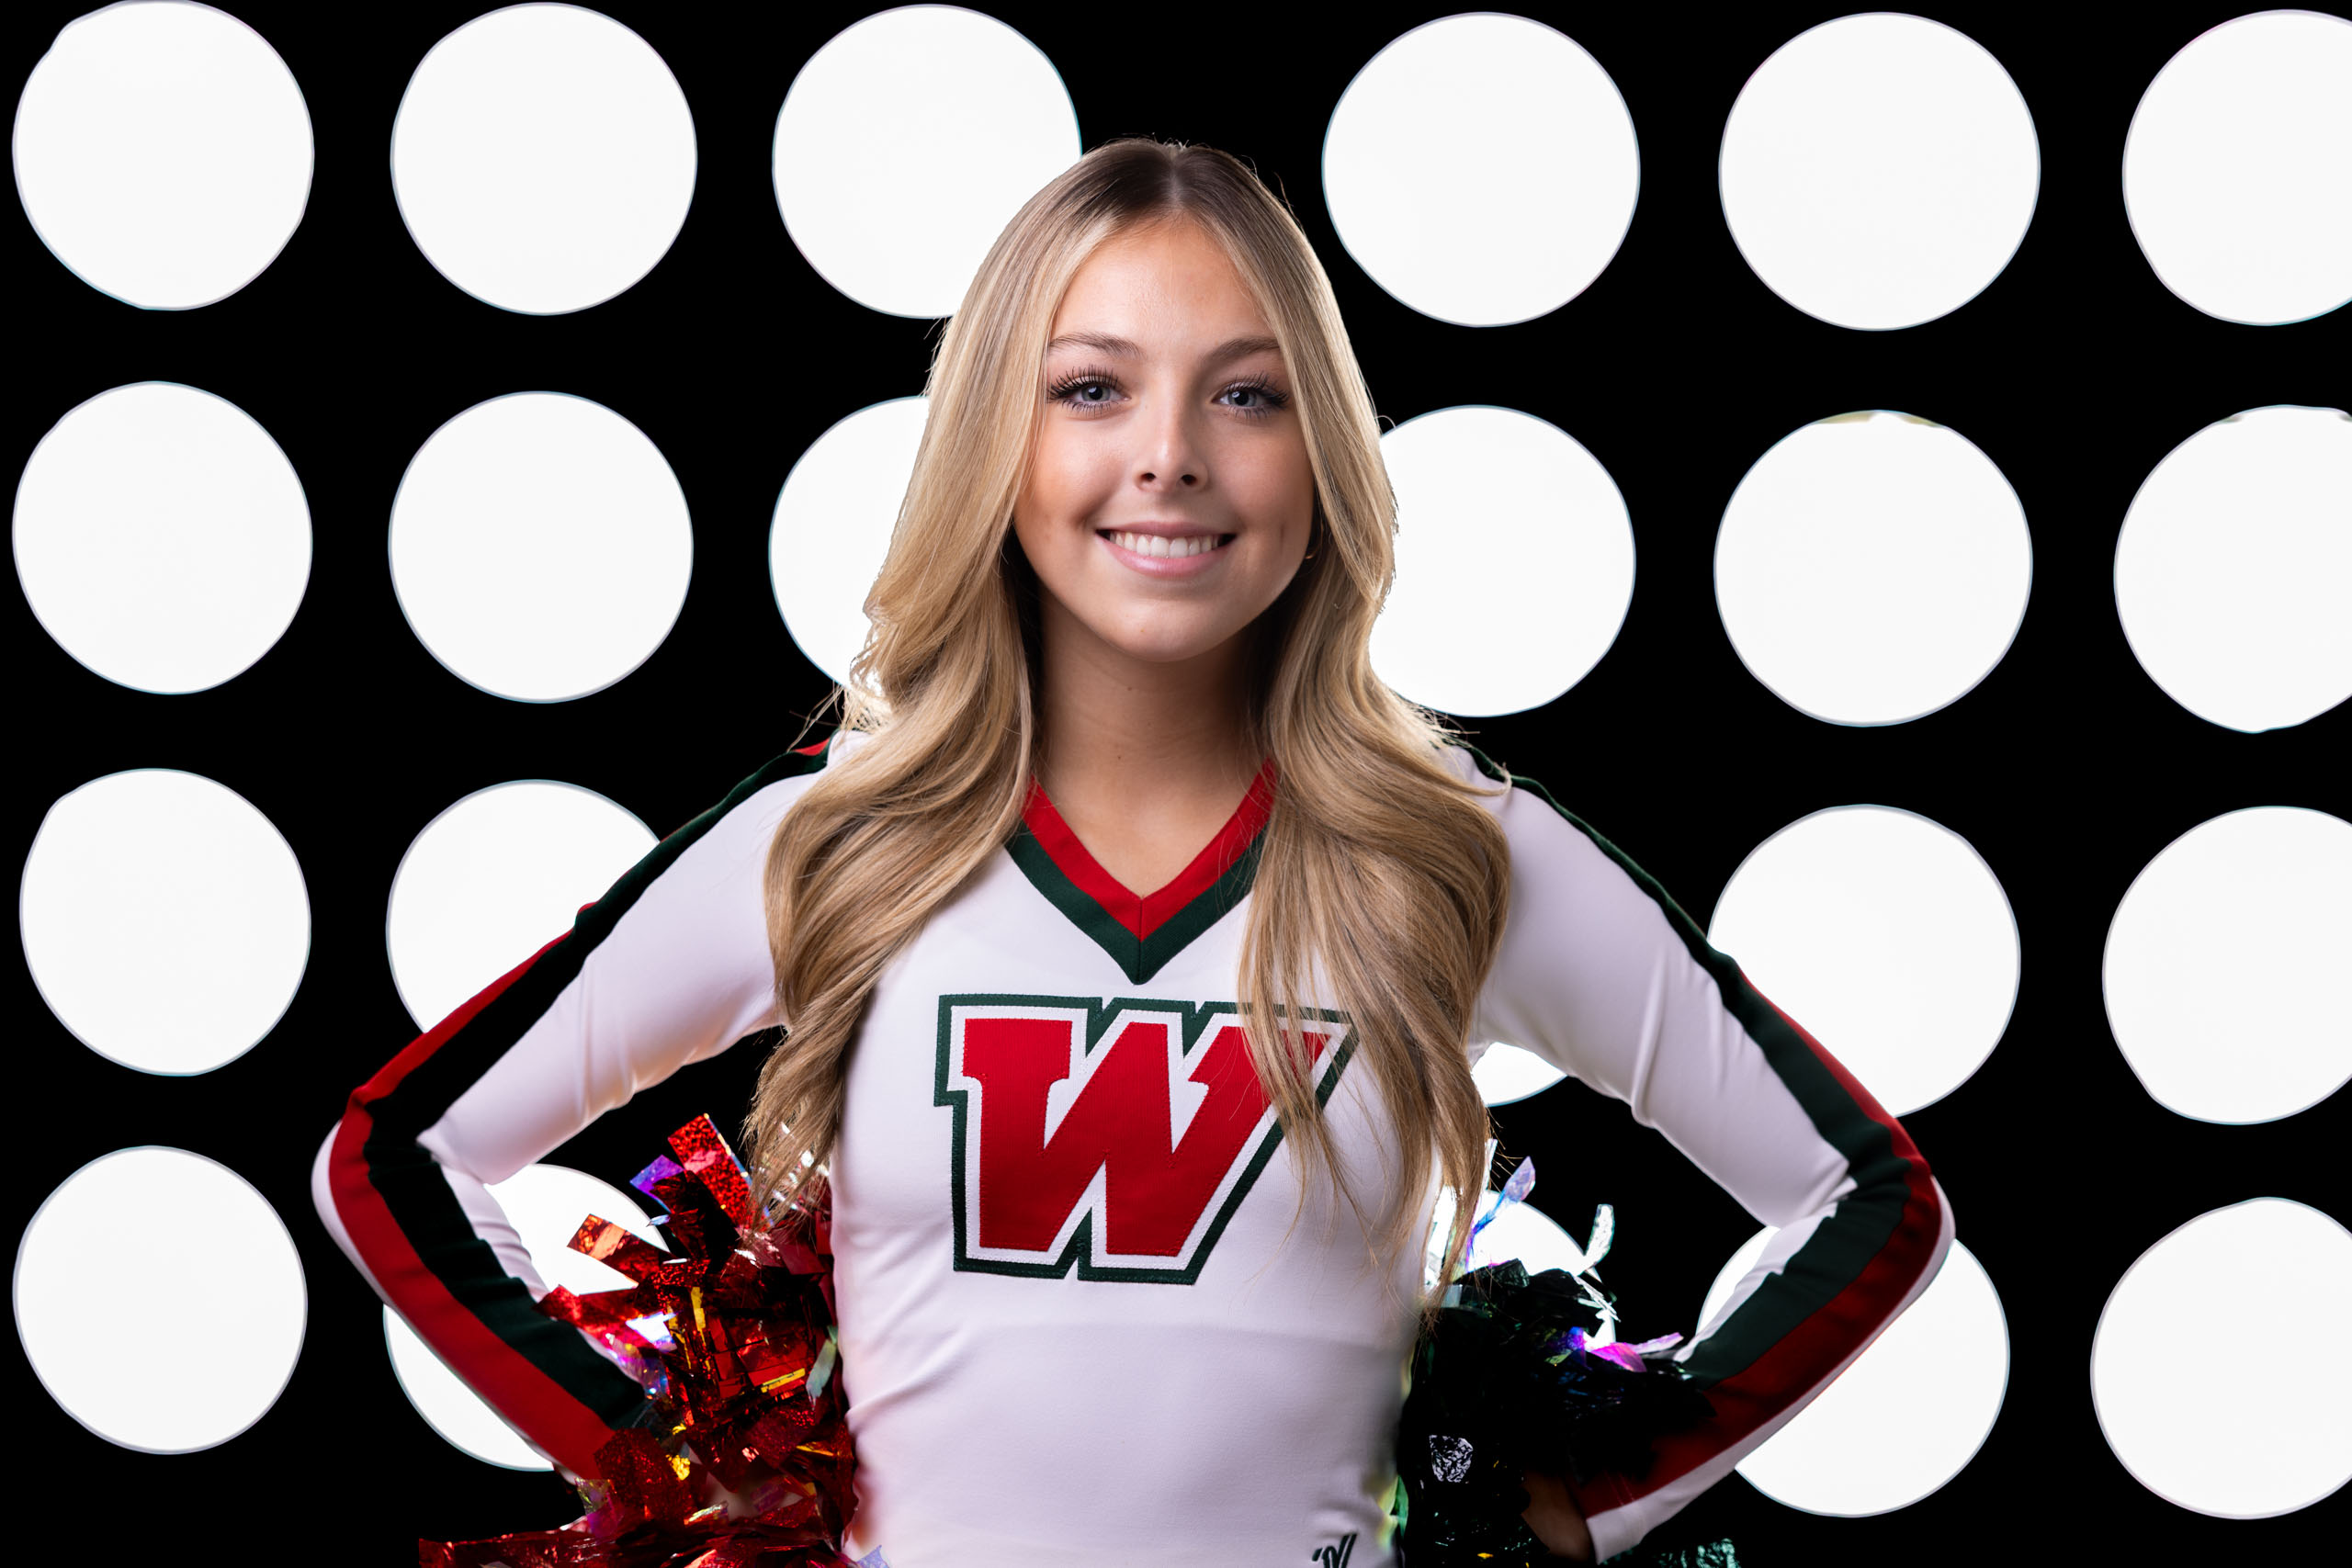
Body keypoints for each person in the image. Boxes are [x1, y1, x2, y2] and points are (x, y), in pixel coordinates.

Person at [314, 136, 1952, 1568]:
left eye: (1246, 394)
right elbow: (395, 1156)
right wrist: (667, 1471)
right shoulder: (837, 843)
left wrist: (1591, 1494)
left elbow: (1871, 1200)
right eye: (1092, 387)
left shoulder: (1447, 855)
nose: (1169, 454)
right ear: (994, 446)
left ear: (1323, 455)